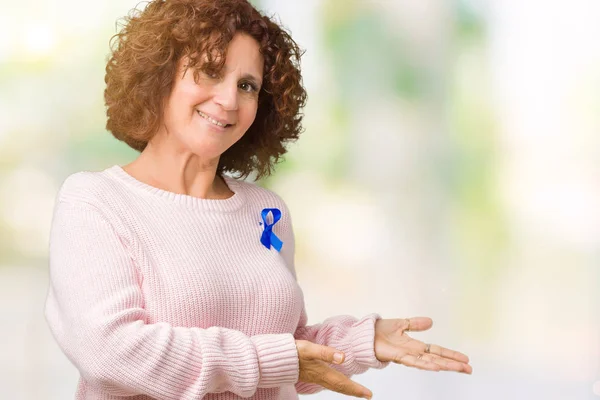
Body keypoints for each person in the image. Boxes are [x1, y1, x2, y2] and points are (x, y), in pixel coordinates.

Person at [44, 0, 472, 399]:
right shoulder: (96, 201)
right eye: (211, 72)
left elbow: (285, 349)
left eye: (247, 85)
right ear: (159, 75)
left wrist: (363, 342)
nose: (229, 100)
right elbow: (110, 351)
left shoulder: (266, 210)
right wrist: (272, 360)